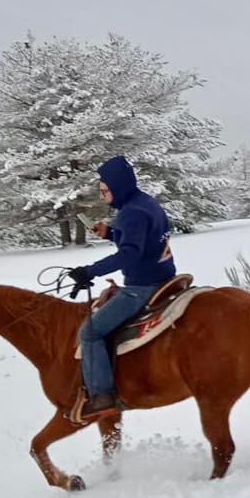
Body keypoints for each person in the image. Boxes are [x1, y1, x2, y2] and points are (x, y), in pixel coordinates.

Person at [64, 156, 176, 420]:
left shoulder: (131, 213)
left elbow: (129, 255)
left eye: (105, 190)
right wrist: (111, 233)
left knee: (90, 332)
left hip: (143, 286)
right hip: (167, 277)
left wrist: (89, 271)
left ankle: (101, 395)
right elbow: (143, 240)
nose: (103, 196)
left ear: (119, 187)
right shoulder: (146, 203)